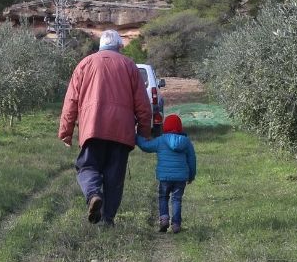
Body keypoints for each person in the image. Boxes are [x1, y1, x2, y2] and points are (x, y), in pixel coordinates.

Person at [58, 30, 152, 226]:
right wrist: (144, 132)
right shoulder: (129, 66)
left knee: (87, 166)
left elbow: (71, 101)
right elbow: (143, 104)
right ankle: (108, 220)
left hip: (93, 127)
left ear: (100, 46)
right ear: (119, 46)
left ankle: (93, 194)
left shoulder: (85, 64)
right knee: (114, 177)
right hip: (122, 131)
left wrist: (66, 132)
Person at [136, 114, 196, 233]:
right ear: (180, 127)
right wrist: (191, 175)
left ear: (165, 127)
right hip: (180, 178)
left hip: (165, 177)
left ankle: (164, 219)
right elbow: (192, 160)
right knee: (176, 199)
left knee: (163, 197)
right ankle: (176, 224)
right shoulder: (186, 142)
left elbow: (145, 146)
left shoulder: (161, 140)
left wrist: (136, 137)